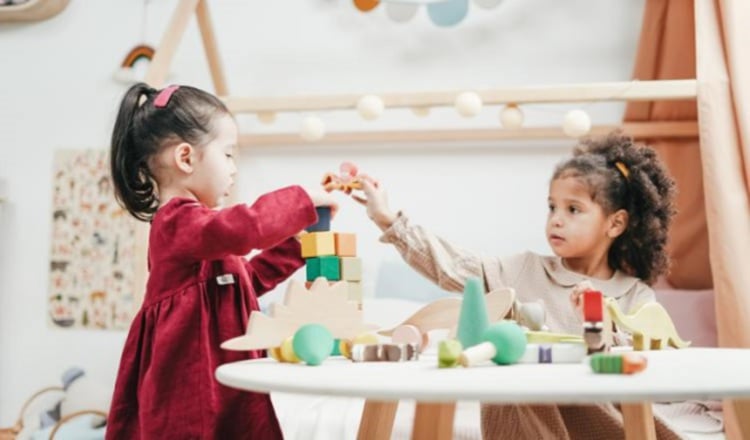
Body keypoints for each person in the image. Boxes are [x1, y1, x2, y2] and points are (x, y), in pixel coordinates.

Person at [352, 132, 683, 439]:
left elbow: (649, 368)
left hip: (607, 426)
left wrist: (598, 323)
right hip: (528, 424)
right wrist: (387, 218)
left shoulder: (635, 295)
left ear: (615, 223)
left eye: (573, 209)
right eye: (552, 206)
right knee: (525, 380)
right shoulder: (522, 270)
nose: (556, 219)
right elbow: (451, 264)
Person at [106, 83, 337, 439]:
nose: (234, 169)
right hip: (189, 385)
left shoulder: (204, 234)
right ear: (185, 158)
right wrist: (301, 201)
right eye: (228, 155)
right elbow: (247, 229)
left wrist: (298, 247)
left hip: (225, 378)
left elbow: (245, 279)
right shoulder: (177, 222)